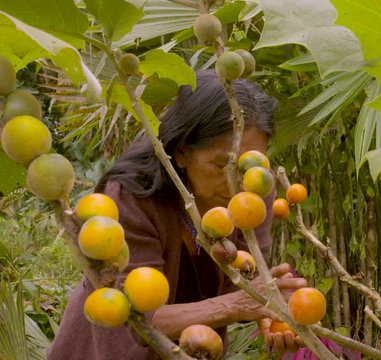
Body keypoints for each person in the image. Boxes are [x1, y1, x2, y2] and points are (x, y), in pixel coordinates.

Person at [48, 70, 307, 359]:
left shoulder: (255, 195)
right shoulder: (133, 196)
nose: (238, 183)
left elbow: (243, 284)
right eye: (222, 165)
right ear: (182, 152)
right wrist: (240, 304)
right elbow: (137, 316)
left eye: (248, 167)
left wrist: (269, 312)